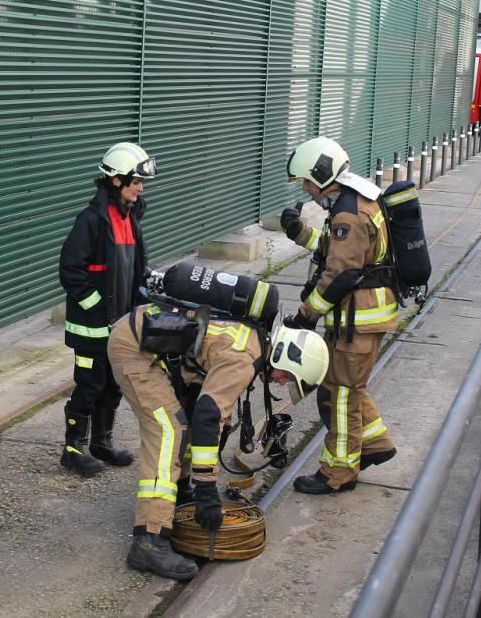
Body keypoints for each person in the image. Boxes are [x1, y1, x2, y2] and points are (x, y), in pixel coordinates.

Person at [109, 304, 330, 580]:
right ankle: (148, 540)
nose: (280, 383)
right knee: (168, 430)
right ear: (288, 358)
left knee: (187, 422)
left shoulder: (256, 342)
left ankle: (175, 496)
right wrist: (206, 490)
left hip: (148, 336)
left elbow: (209, 412)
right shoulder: (243, 359)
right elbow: (208, 417)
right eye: (287, 377)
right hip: (135, 348)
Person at [278, 136, 399, 495]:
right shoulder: (356, 199)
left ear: (321, 173)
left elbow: (339, 274)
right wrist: (300, 233)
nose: (306, 189)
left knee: (339, 396)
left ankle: (338, 473)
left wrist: (305, 315)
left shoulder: (349, 210)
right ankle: (375, 443)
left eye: (307, 181)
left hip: (357, 321)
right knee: (346, 386)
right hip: (360, 318)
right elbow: (337, 250)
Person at [58, 142, 156, 477]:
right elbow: (71, 271)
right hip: (92, 328)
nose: (140, 189)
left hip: (120, 326)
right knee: (89, 385)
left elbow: (134, 268)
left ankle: (101, 443)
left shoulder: (129, 217)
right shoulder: (91, 220)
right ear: (115, 181)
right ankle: (73, 450)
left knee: (113, 385)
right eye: (136, 182)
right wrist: (98, 308)